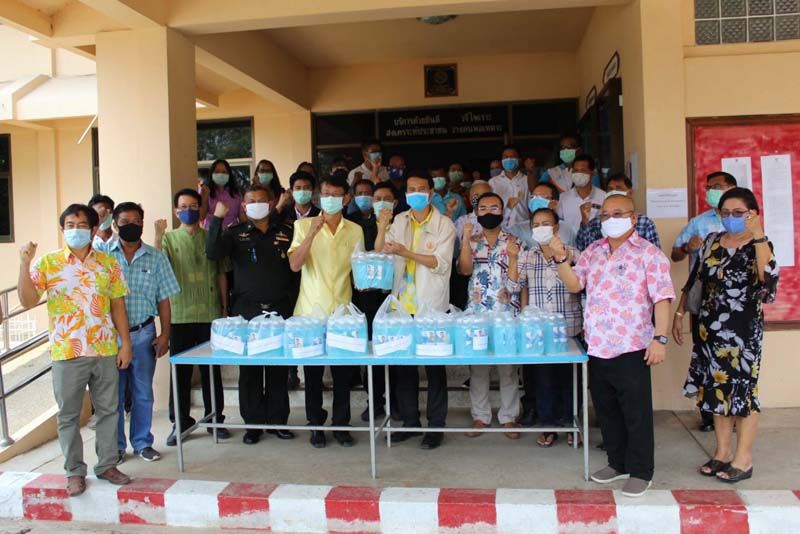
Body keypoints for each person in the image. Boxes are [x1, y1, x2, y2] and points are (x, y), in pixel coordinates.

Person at [550, 193, 675, 498]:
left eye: (617, 214)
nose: (610, 219)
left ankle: (641, 470)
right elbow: (575, 284)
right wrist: (560, 258)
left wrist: (660, 339)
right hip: (597, 344)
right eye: (605, 215)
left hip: (633, 346)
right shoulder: (594, 250)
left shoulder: (649, 254)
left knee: (636, 412)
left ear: (634, 218)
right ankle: (617, 462)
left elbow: (662, 298)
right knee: (607, 410)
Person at [17, 204, 133, 495]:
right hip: (66, 351)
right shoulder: (48, 263)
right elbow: (28, 301)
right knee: (68, 415)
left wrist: (126, 344)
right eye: (70, 225)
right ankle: (74, 471)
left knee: (109, 411)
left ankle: (107, 464)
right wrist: (24, 263)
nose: (75, 230)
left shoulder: (108, 263)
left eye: (82, 225)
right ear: (62, 229)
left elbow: (118, 305)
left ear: (93, 230)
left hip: (104, 349)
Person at [673, 188, 778, 483]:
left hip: (743, 334)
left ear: (752, 214)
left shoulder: (761, 244)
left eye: (738, 213)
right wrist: (680, 313)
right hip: (709, 330)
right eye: (726, 212)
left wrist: (758, 235)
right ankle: (722, 453)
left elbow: (767, 281)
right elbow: (695, 281)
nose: (731, 217)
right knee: (717, 392)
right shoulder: (712, 241)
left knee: (742, 394)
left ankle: (743, 459)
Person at [375, 170, 456, 450]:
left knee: (434, 368)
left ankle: (435, 426)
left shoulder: (444, 224)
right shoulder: (399, 220)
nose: (416, 193)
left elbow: (440, 263)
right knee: (403, 368)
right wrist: (382, 227)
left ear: (431, 193)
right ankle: (410, 422)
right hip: (401, 305)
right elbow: (381, 252)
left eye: (421, 189)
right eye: (411, 189)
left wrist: (405, 251)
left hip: (430, 306)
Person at [95, 202, 179, 464]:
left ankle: (143, 443)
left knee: (143, 392)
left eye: (136, 221)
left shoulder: (156, 257)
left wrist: (165, 335)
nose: (131, 226)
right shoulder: (102, 256)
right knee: (114, 396)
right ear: (114, 224)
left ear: (143, 223)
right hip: (110, 338)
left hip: (144, 334)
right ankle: (117, 447)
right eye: (124, 221)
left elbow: (164, 299)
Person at [289, 173, 365, 449]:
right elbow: (295, 265)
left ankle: (341, 425)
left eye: (336, 195)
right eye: (326, 195)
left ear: (346, 199)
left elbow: (359, 271)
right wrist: (312, 233)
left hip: (343, 312)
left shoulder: (355, 230)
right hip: (310, 311)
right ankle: (316, 424)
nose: (330, 199)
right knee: (312, 375)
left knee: (343, 373)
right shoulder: (302, 225)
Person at [156, 189, 230, 447]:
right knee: (181, 373)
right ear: (176, 211)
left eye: (193, 205)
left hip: (209, 312)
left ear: (201, 209)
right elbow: (158, 267)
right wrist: (157, 236)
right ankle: (180, 422)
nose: (188, 210)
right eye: (183, 206)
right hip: (179, 315)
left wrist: (224, 307)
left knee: (212, 371)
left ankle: (216, 420)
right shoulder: (168, 239)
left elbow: (221, 273)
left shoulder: (211, 236)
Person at [671, 170, 737, 432]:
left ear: (731, 188)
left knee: (733, 356)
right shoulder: (698, 222)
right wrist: (687, 248)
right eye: (709, 187)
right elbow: (675, 254)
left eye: (717, 186)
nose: (711, 191)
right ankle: (709, 414)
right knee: (705, 354)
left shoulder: (744, 222)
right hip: (703, 299)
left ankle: (733, 411)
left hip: (735, 303)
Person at [457, 192, 522, 440]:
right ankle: (480, 417)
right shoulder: (472, 241)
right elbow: (465, 270)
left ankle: (509, 418)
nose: (488, 212)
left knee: (508, 369)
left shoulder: (514, 242)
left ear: (502, 212)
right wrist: (465, 239)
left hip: (507, 313)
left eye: (494, 208)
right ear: (476, 213)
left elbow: (519, 279)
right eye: (483, 208)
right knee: (478, 369)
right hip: (477, 314)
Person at [518, 207, 583, 446]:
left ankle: (570, 424)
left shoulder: (572, 253)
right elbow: (516, 286)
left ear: (556, 228)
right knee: (544, 380)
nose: (540, 228)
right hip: (539, 331)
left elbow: (583, 286)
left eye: (545, 224)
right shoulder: (528, 256)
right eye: (535, 225)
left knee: (570, 380)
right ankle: (548, 425)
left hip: (569, 327)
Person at [348, 181, 398, 422]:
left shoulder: (402, 224)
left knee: (395, 350)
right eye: (377, 199)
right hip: (367, 296)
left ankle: (396, 402)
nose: (381, 203)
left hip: (395, 295)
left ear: (395, 202)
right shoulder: (360, 225)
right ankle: (374, 401)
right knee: (371, 351)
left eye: (387, 199)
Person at [576, 174, 660, 251]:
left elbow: (655, 254)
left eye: (619, 188)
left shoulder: (644, 223)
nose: (613, 191)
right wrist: (585, 222)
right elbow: (582, 249)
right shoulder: (596, 222)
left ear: (630, 193)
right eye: (610, 189)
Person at [556, 154, 606, 239]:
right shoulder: (563, 197)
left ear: (593, 172)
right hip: (569, 244)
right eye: (576, 170)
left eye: (583, 170)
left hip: (594, 243)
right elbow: (560, 224)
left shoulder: (603, 196)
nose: (578, 174)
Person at [488, 145, 529, 227]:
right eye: (506, 157)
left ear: (519, 160)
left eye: (512, 156)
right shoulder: (493, 182)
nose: (509, 159)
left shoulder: (527, 180)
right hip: (500, 226)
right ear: (502, 160)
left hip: (523, 225)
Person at [199, 159, 244, 229]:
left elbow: (241, 216)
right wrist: (204, 197)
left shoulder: (236, 193)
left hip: (233, 232)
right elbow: (201, 217)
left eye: (224, 172)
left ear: (229, 174)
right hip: (212, 231)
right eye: (217, 172)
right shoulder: (205, 190)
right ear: (211, 174)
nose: (221, 174)